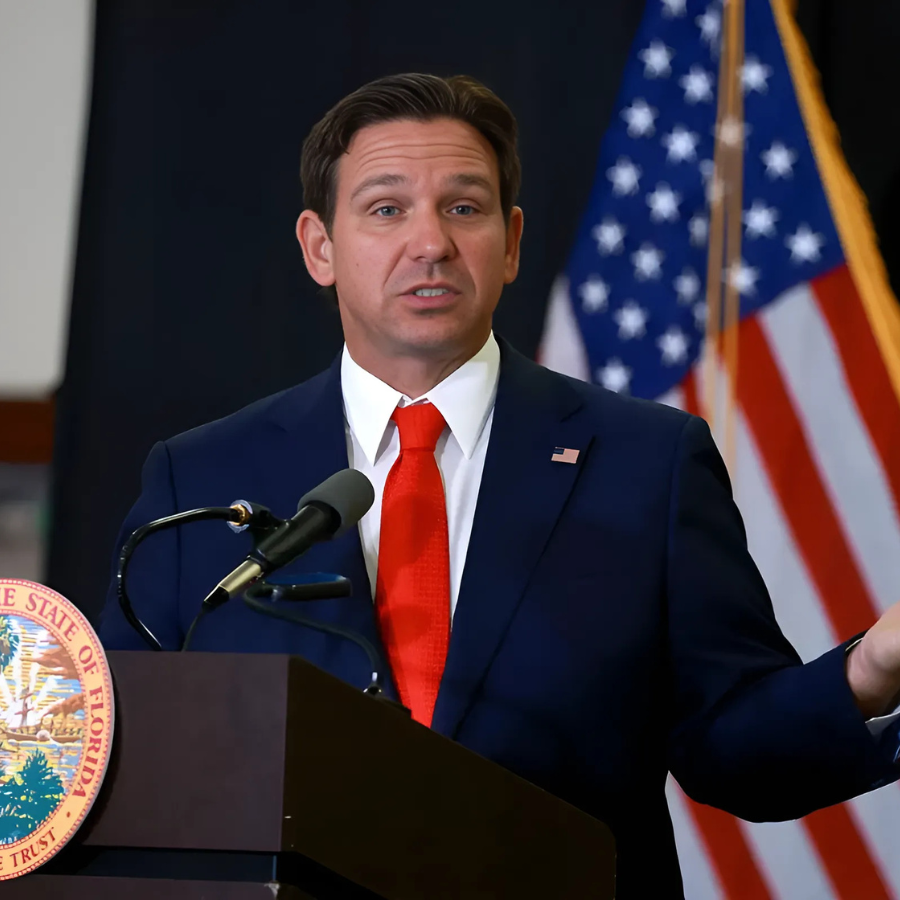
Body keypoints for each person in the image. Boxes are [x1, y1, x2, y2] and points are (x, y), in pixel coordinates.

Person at [98, 73, 900, 898]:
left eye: (464, 207)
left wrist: (872, 668)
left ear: (511, 242)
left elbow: (735, 750)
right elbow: (119, 748)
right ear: (318, 247)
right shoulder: (199, 476)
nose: (431, 243)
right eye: (385, 209)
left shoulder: (647, 462)